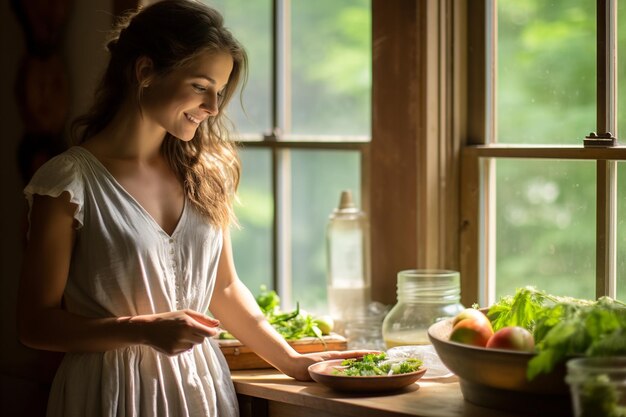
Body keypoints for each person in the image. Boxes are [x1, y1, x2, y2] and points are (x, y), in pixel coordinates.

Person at [16, 1, 371, 416]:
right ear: (145, 71)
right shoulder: (68, 182)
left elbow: (224, 289)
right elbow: (34, 324)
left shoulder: (207, 173)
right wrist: (141, 330)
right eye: (202, 86)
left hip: (202, 389)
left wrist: (292, 361)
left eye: (219, 92)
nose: (214, 107)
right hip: (110, 394)